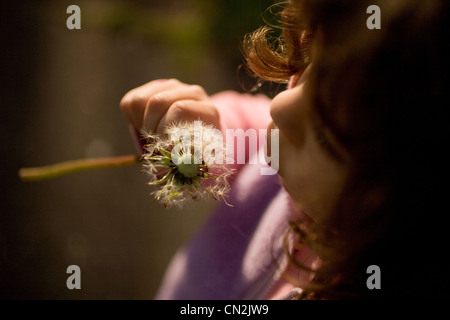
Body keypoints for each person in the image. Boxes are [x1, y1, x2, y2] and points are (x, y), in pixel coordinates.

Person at [120, 0, 450, 299]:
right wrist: (196, 132)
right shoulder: (285, 148)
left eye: (323, 134)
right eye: (307, 65)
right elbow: (249, 126)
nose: (281, 106)